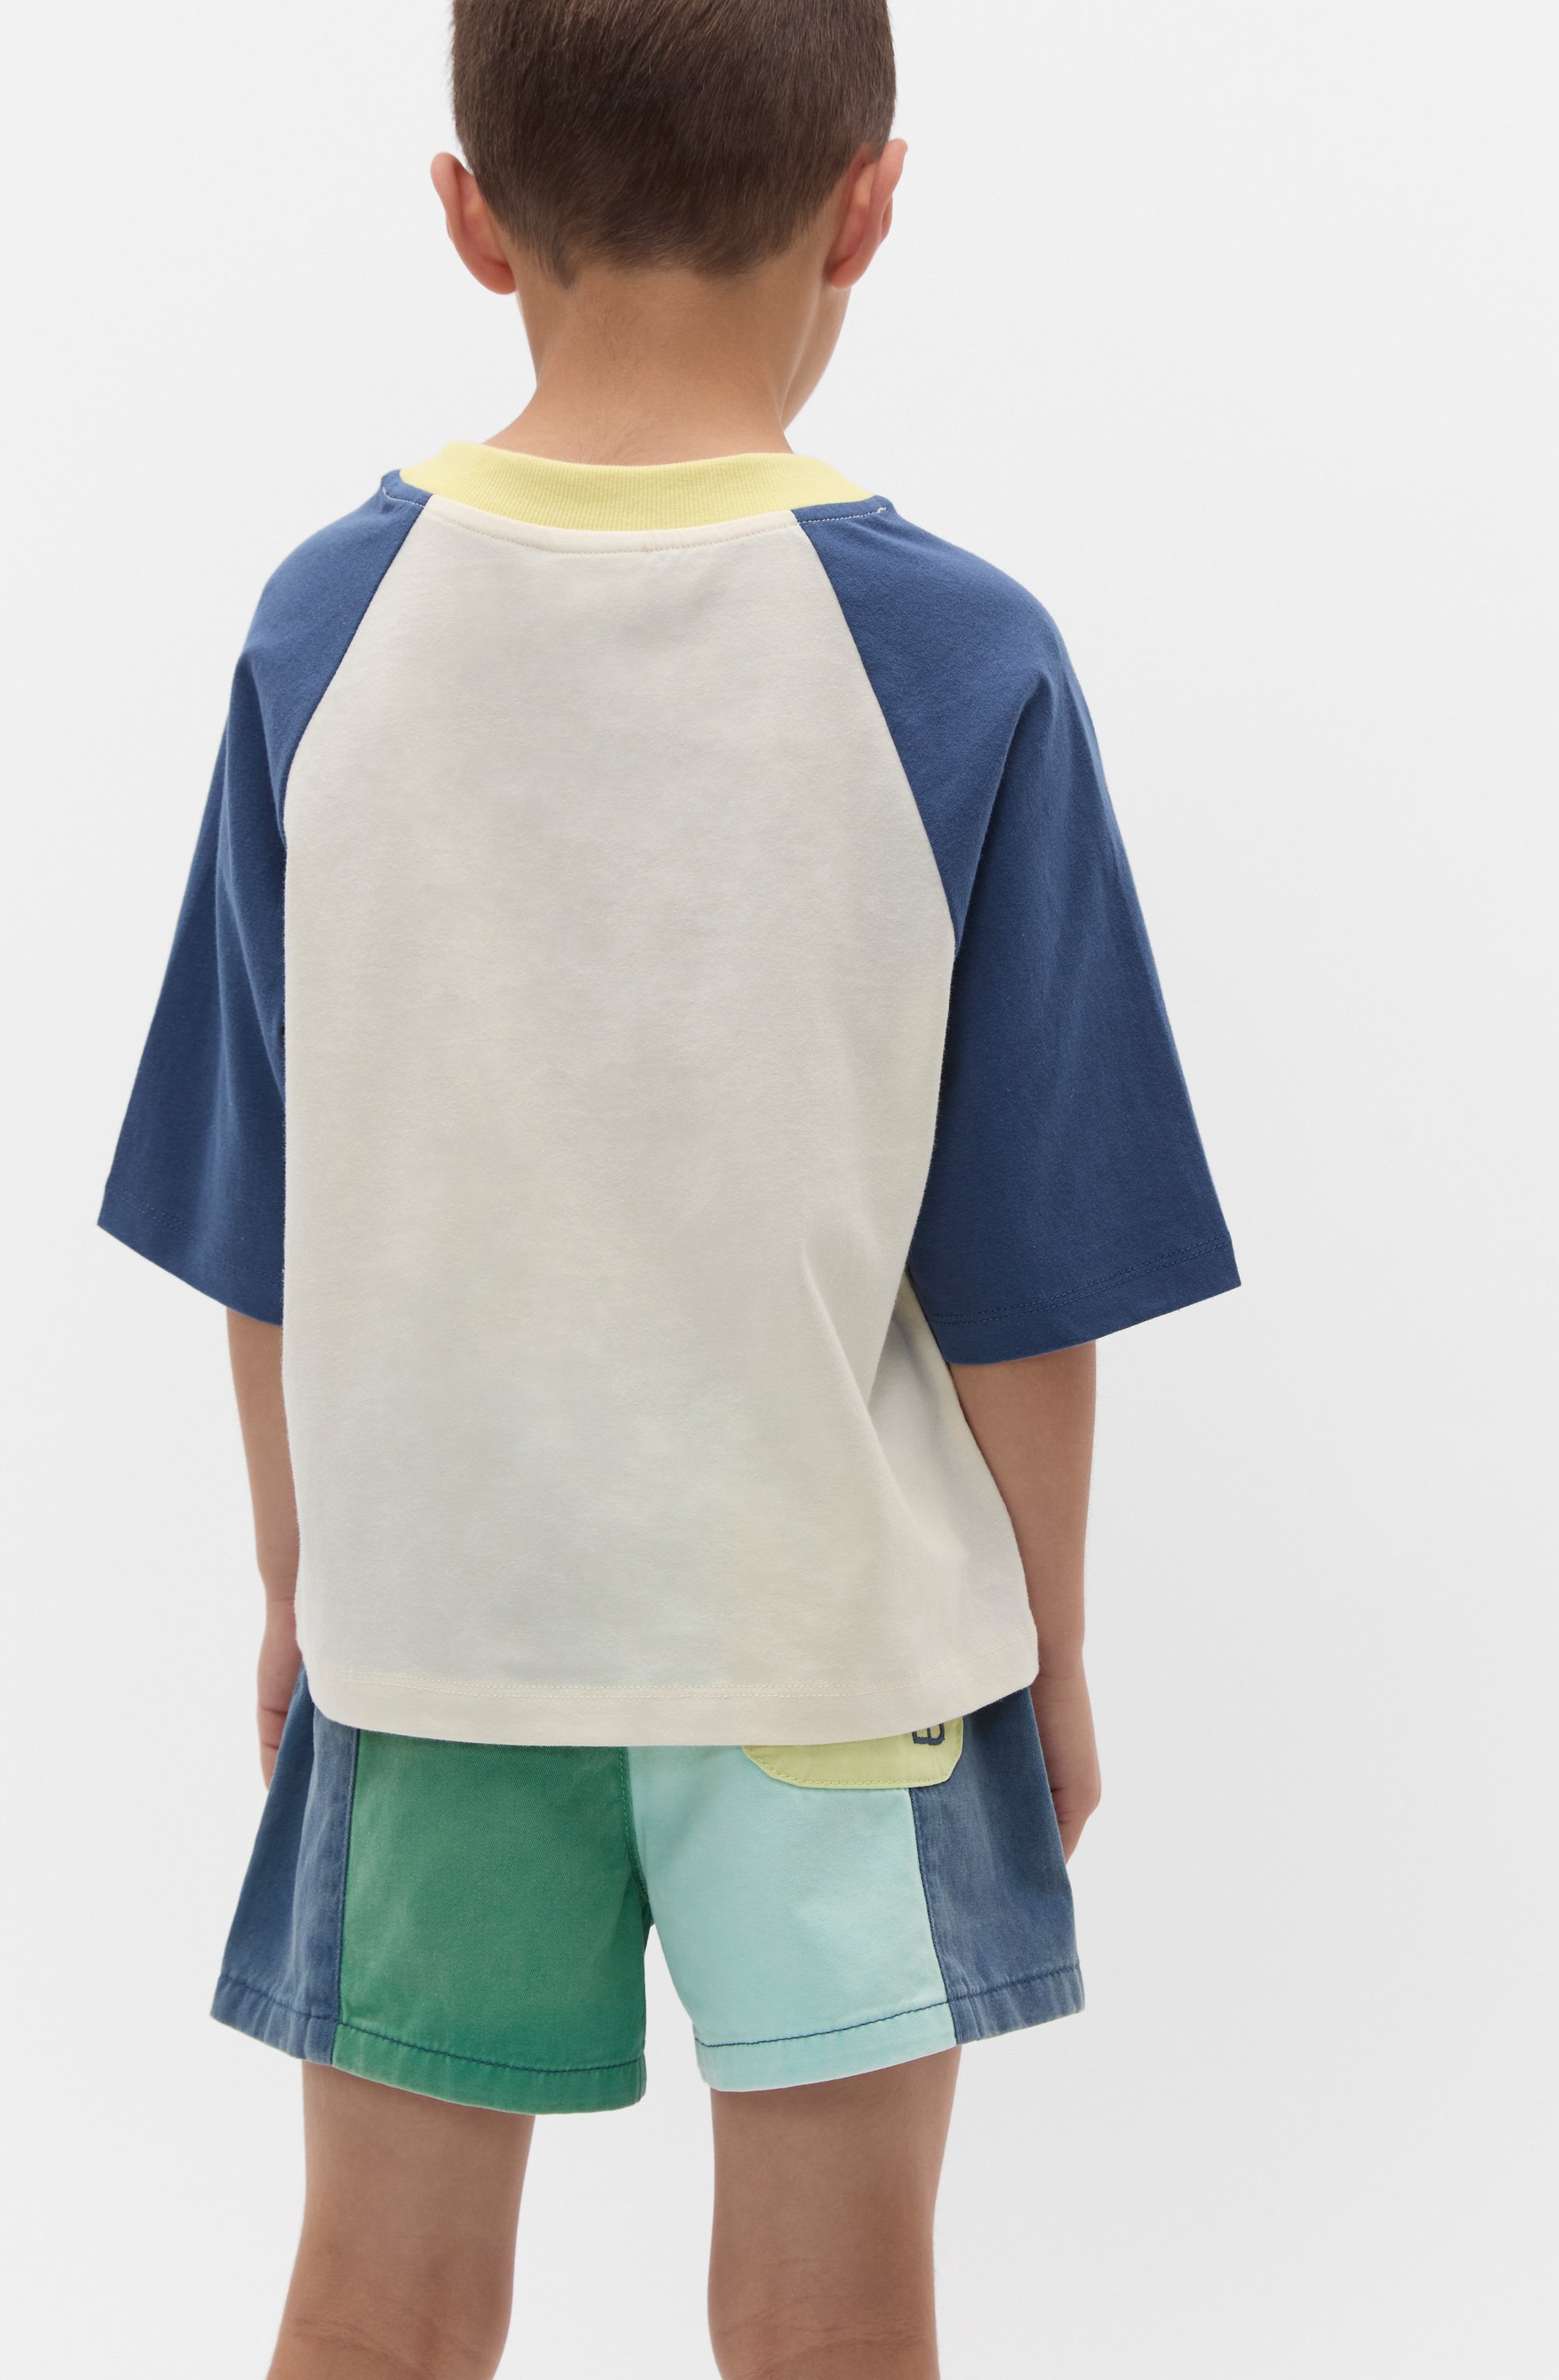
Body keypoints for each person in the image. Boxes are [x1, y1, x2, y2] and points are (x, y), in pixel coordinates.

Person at [99, 3, 1238, 2372]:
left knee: (380, 2301)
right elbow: (1027, 1268)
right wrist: (1055, 1638)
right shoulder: (962, 656)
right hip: (844, 1654)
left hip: (438, 1635)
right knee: (834, 2318)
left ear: (468, 213)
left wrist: (302, 1583)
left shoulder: (325, 629)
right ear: (870, 200)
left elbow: (265, 1206)